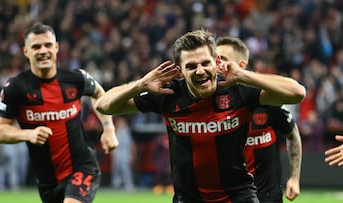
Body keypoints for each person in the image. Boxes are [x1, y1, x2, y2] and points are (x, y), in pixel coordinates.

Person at [95, 29, 306, 202]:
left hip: (238, 195)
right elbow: (105, 106)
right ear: (180, 70)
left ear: (216, 62)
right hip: (189, 198)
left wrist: (244, 75)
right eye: (191, 66)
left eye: (205, 63)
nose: (200, 71)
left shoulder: (238, 90)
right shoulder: (168, 94)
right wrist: (141, 84)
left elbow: (297, 93)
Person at [0, 23, 119, 203]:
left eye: (48, 45)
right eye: (36, 47)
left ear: (56, 47)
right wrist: (28, 134)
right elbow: (0, 132)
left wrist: (108, 128)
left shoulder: (76, 79)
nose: (43, 51)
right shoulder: (16, 88)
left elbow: (99, 94)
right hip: (48, 181)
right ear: (26, 51)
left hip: (82, 167)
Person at [216, 36, 302, 203]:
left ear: (241, 66)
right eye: (215, 59)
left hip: (267, 196)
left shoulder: (265, 99)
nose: (217, 65)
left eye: (223, 59)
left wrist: (294, 178)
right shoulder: (209, 102)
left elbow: (292, 134)